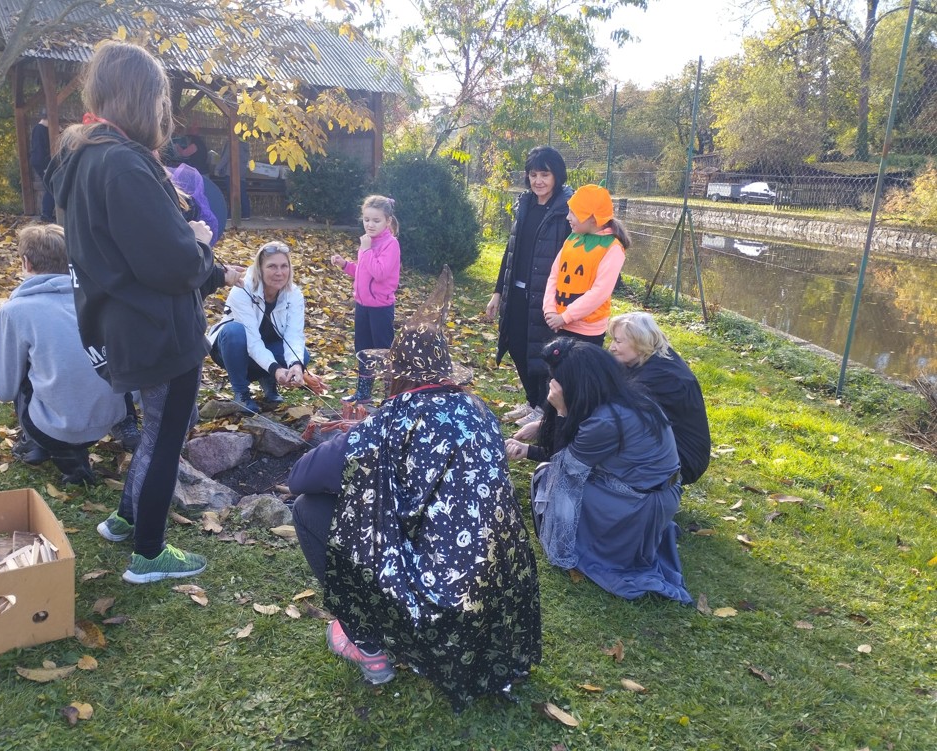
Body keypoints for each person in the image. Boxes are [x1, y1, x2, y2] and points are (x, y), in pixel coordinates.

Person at [288, 268, 541, 710]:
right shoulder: (480, 411)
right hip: (495, 605)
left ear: (398, 373)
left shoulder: (389, 421)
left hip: (433, 603)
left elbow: (301, 478)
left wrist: (355, 437)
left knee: (309, 509)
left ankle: (367, 643)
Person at [46, 41, 242, 584]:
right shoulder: (124, 164)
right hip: (158, 329)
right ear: (142, 98)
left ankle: (126, 518)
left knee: (155, 429)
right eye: (160, 99)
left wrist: (199, 257)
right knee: (167, 435)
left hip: (125, 321)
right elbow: (172, 263)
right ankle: (149, 553)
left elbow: (130, 248)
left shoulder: (86, 157)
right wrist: (198, 239)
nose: (164, 111)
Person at [505, 338, 692, 604]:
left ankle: (593, 544)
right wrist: (531, 444)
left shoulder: (606, 420)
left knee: (548, 477)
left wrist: (560, 412)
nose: (551, 387)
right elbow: (579, 446)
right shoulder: (626, 397)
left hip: (640, 506)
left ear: (576, 384)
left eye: (556, 382)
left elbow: (565, 465)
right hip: (656, 493)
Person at [0, 223, 129, 485]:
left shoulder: (16, 311)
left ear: (26, 263)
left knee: (20, 369)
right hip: (107, 421)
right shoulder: (100, 302)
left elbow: (4, 388)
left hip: (57, 428)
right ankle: (44, 442)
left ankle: (58, 450)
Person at [485, 146, 574, 428]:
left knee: (541, 352)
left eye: (544, 175)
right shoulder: (524, 204)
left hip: (547, 296)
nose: (538, 181)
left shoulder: (566, 211)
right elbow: (510, 251)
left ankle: (542, 407)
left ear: (557, 175)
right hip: (517, 290)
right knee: (515, 345)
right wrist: (498, 292)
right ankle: (532, 400)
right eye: (533, 174)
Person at [608, 312, 711, 485]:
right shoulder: (651, 357)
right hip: (668, 444)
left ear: (639, 342)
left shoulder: (661, 378)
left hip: (683, 458)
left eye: (618, 341)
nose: (611, 347)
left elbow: (614, 413)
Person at [207, 241, 308, 413]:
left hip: (266, 348)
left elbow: (294, 334)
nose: (279, 273)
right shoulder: (242, 289)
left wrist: (296, 365)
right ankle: (241, 393)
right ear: (259, 269)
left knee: (302, 356)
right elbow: (252, 340)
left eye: (284, 266)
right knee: (234, 332)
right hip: (231, 349)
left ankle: (268, 380)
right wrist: (275, 368)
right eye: (272, 266)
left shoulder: (294, 294)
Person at [330, 195, 401, 404]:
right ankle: (364, 392)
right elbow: (363, 271)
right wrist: (345, 265)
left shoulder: (390, 244)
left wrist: (367, 249)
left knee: (384, 351)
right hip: (362, 306)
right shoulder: (367, 243)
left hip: (381, 308)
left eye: (376, 220)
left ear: (387, 221)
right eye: (366, 219)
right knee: (362, 349)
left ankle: (391, 394)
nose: (370, 224)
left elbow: (379, 273)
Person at [542, 184, 628, 348]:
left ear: (592, 218)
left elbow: (600, 292)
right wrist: (550, 309)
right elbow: (554, 276)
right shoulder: (572, 239)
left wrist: (566, 316)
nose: (568, 217)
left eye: (573, 213)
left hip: (587, 332)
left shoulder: (612, 248)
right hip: (558, 323)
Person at [214, 137, 251, 219]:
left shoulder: (232, 143)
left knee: (231, 193)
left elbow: (226, 157)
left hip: (231, 172)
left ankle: (232, 213)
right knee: (242, 193)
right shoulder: (246, 145)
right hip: (242, 172)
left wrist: (217, 168)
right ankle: (246, 213)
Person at [29, 111, 55, 222]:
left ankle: (47, 213)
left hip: (42, 162)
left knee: (50, 186)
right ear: (46, 119)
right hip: (42, 163)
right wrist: (45, 167)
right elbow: (39, 150)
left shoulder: (41, 129)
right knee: (51, 187)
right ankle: (46, 214)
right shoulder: (39, 130)